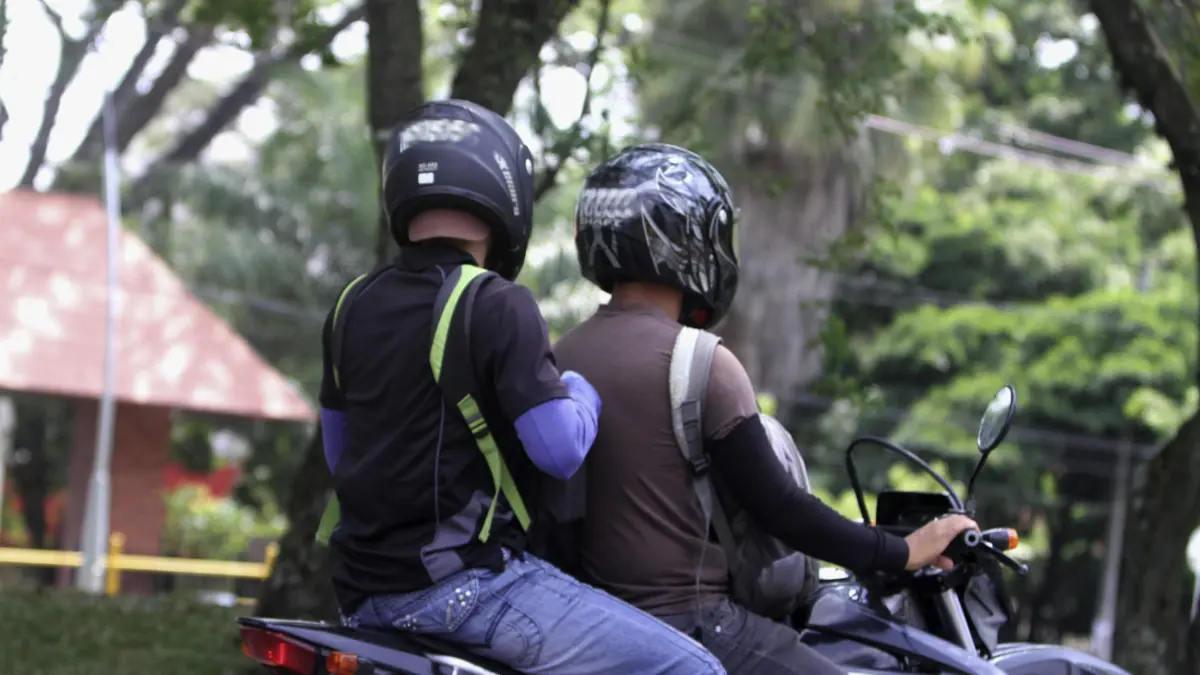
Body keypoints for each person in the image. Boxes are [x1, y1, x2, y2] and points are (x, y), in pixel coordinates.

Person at [318, 102, 725, 674]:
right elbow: (558, 450)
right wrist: (579, 391)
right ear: (505, 195)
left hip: (362, 596)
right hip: (463, 590)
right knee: (694, 669)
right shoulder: (497, 302)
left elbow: (340, 454)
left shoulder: (350, 304)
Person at [553, 143, 978, 674]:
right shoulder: (700, 362)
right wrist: (903, 551)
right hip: (692, 626)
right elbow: (782, 508)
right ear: (690, 240)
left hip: (591, 629)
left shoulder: (559, 357)